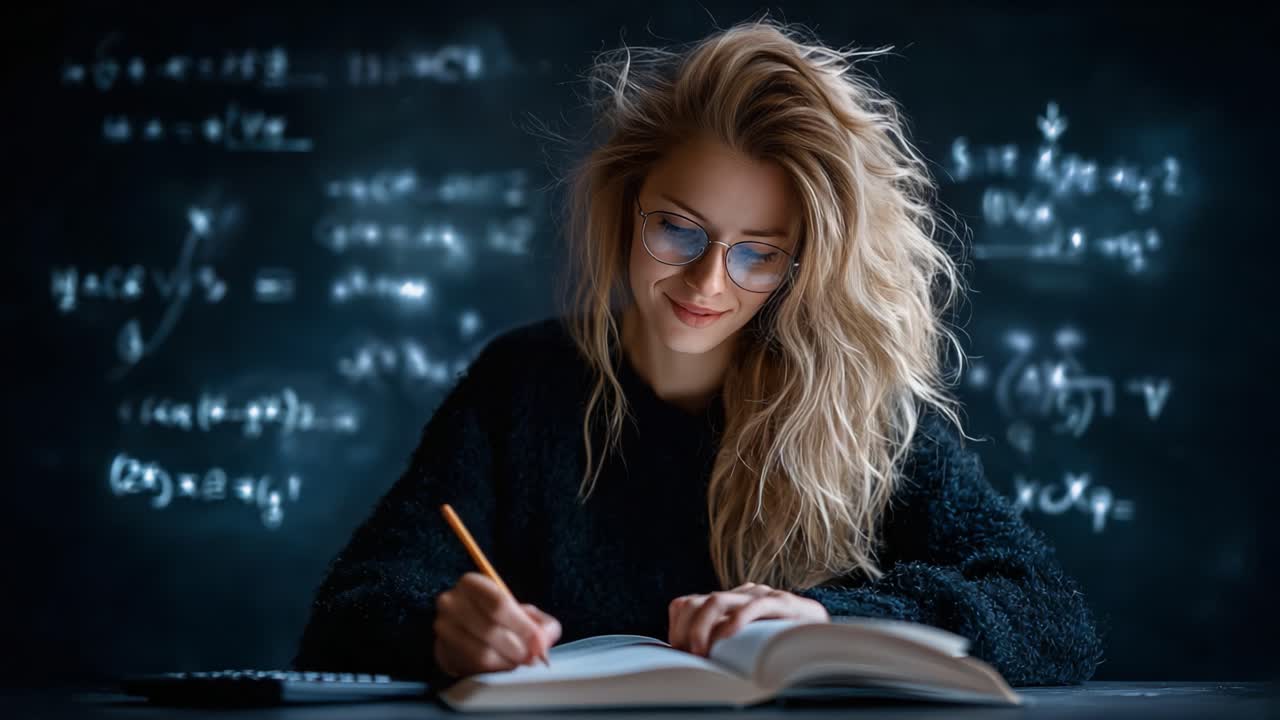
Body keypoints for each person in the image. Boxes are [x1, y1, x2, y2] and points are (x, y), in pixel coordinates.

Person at [292, 16, 1105, 690]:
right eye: (678, 228)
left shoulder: (854, 408)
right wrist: (439, 628)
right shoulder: (521, 385)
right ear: (627, 204)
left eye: (759, 251)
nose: (707, 281)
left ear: (802, 265)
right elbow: (347, 613)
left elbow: (1052, 617)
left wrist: (827, 618)